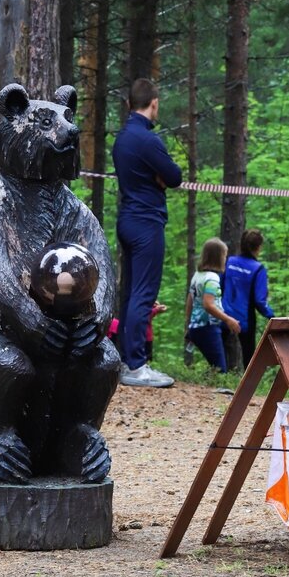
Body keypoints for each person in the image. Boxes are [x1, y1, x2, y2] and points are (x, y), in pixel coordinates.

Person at [111, 78, 182, 388]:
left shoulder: (123, 138)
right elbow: (175, 176)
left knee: (129, 293)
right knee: (143, 293)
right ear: (153, 102)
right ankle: (137, 365)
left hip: (127, 218)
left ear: (130, 103)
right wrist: (160, 176)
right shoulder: (148, 141)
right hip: (146, 221)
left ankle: (126, 360)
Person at [221, 229, 275, 370]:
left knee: (219, 354)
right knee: (248, 357)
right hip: (245, 318)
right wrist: (272, 315)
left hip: (222, 315)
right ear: (258, 247)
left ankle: (218, 380)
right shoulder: (258, 269)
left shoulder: (229, 262)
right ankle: (248, 387)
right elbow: (259, 300)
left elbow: (219, 286)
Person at [185, 238, 241, 373]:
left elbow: (190, 301)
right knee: (220, 370)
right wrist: (228, 319)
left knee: (214, 366)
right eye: (224, 256)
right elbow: (208, 305)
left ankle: (205, 387)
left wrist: (188, 325)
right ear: (218, 257)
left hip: (196, 327)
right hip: (207, 328)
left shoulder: (198, 275)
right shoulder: (212, 278)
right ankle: (215, 392)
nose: (225, 259)